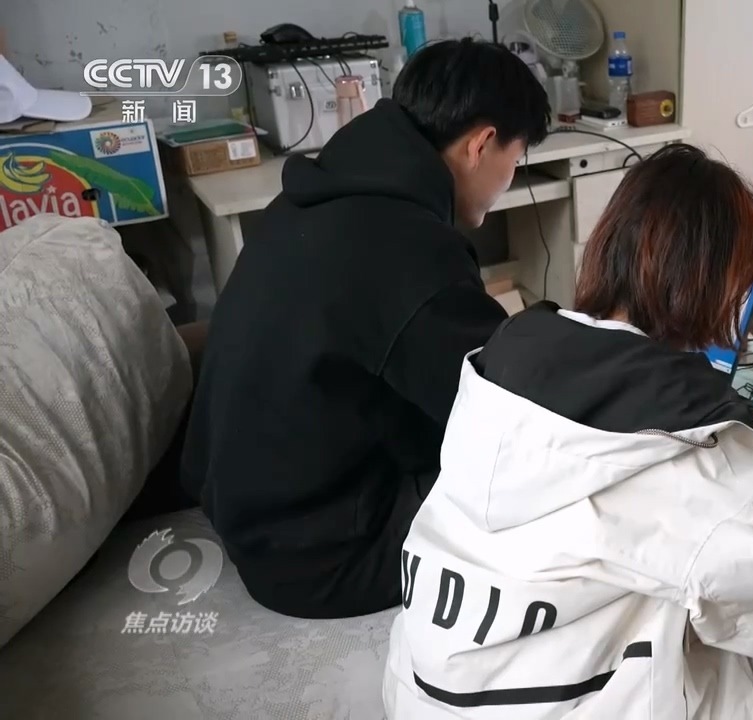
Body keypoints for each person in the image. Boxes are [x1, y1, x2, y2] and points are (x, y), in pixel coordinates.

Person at [382, 144, 753, 719]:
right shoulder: (692, 458)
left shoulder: (502, 363)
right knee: (745, 652)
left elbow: (621, 474)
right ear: (717, 285)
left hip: (426, 689)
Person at [180, 39, 551, 619]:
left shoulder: (316, 197)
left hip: (253, 515)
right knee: (552, 488)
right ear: (481, 144)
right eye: (517, 157)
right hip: (320, 556)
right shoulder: (410, 250)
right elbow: (507, 413)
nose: (511, 176)